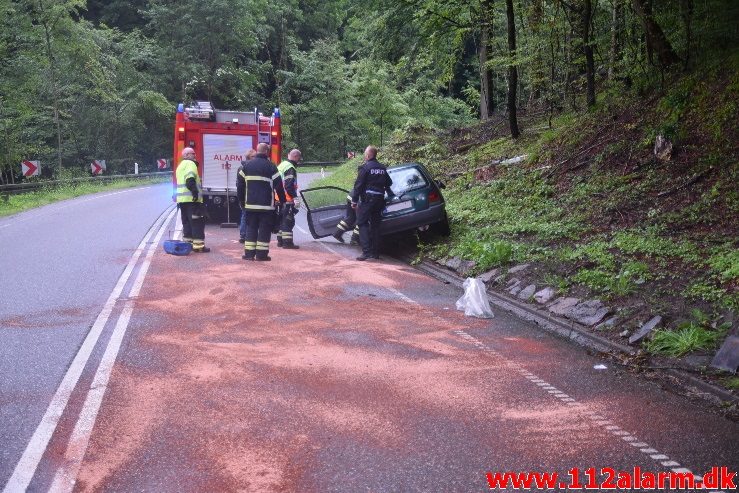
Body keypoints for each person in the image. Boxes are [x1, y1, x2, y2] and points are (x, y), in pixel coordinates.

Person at [237, 143, 286, 261]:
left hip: (250, 205)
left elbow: (240, 186)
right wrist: (282, 201)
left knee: (251, 229)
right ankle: (261, 255)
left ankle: (249, 255)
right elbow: (279, 186)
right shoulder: (271, 166)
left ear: (257, 151)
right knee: (264, 230)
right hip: (266, 207)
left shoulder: (247, 166)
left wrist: (242, 201)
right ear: (267, 152)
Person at [351, 145, 393, 261]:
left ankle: (366, 252)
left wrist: (354, 200)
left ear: (369, 155)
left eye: (365, 153)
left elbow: (358, 186)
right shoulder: (382, 168)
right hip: (379, 200)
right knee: (375, 226)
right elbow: (389, 182)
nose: (365, 155)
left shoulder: (365, 168)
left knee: (362, 222)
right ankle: (375, 253)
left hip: (367, 200)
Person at [175, 147, 209, 253]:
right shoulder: (191, 164)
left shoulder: (180, 166)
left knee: (187, 223)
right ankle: (198, 247)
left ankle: (188, 245)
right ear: (186, 155)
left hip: (182, 200)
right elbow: (190, 180)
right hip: (192, 200)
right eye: (192, 154)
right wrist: (195, 192)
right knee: (197, 222)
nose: (195, 155)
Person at [332, 161, 364, 245]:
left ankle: (337, 233)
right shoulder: (368, 176)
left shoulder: (361, 176)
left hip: (351, 196)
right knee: (361, 219)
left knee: (350, 217)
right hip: (357, 199)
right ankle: (355, 239)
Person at [276, 148, 302, 249]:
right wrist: (295, 197)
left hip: (279, 198)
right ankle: (287, 243)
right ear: (295, 157)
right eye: (299, 159)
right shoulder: (290, 168)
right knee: (288, 220)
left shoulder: (282, 165)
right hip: (287, 198)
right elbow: (289, 185)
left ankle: (280, 241)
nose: (298, 161)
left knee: (281, 220)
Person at [238, 148, 257, 243]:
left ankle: (244, 234)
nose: (256, 158)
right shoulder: (245, 168)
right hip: (248, 195)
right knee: (245, 215)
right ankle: (244, 235)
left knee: (245, 215)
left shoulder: (242, 167)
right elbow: (239, 184)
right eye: (254, 156)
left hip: (248, 195)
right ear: (249, 157)